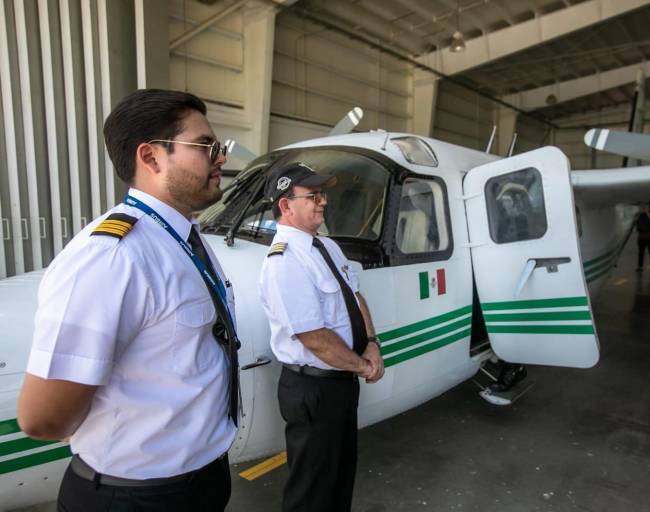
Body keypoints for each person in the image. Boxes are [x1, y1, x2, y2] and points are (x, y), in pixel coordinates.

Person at [17, 89, 239, 511]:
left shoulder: (184, 238)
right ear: (152, 157)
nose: (221, 157)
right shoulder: (113, 255)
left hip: (199, 481)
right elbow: (42, 416)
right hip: (135, 496)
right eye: (206, 146)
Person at [259, 162, 385, 512]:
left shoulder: (327, 247)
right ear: (286, 206)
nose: (323, 202)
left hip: (341, 383)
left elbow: (355, 296)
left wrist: (373, 343)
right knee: (312, 493)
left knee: (340, 478)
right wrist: (362, 365)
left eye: (322, 194)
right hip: (313, 390)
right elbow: (313, 336)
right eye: (313, 196)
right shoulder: (283, 261)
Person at [635, 203, 650, 272]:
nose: (644, 208)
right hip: (641, 237)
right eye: (644, 207)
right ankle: (640, 267)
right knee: (641, 253)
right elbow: (635, 221)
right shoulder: (639, 214)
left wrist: (647, 212)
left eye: (646, 206)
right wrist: (640, 212)